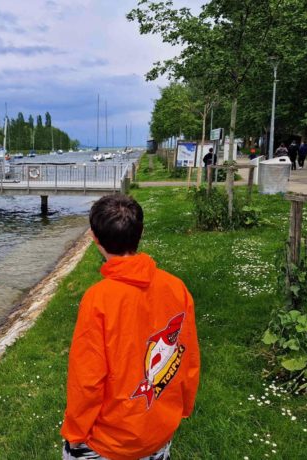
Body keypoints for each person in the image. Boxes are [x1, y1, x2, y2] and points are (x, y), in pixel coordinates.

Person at [61, 195, 200, 460]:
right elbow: (188, 356)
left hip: (108, 442)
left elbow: (87, 379)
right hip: (157, 431)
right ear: (141, 232)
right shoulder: (175, 287)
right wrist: (183, 406)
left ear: (94, 238)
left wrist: (76, 432)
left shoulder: (98, 299)